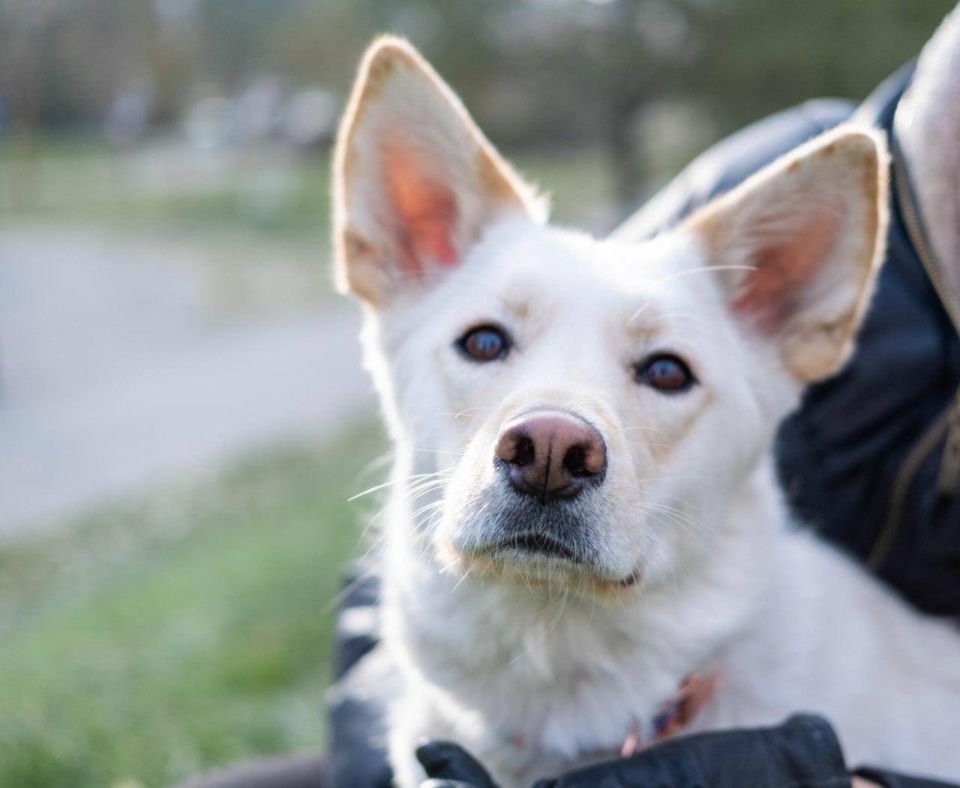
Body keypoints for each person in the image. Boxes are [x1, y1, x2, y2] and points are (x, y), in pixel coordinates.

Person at [184, 11, 960, 788]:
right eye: (487, 344)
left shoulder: (859, 689)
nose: (553, 436)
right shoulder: (750, 208)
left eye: (662, 372)